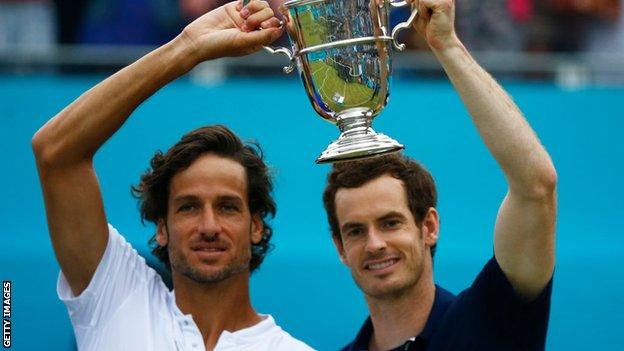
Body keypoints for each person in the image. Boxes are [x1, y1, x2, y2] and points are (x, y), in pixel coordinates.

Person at [31, 1, 313, 350]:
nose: (208, 227)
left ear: (256, 225)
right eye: (188, 207)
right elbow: (55, 152)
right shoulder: (117, 297)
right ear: (161, 227)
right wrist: (187, 48)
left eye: (227, 207)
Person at [322, 0, 557, 350]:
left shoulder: (491, 319)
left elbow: (536, 186)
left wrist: (446, 45)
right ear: (340, 248)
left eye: (390, 222)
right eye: (355, 231)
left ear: (429, 226)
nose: (374, 244)